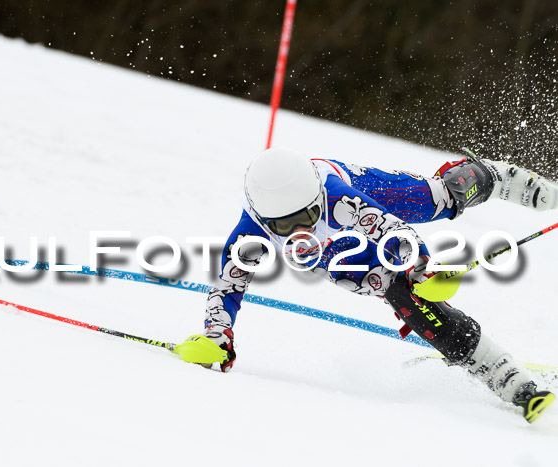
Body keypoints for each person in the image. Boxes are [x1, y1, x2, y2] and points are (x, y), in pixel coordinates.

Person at [186, 146, 558, 423]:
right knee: (397, 290)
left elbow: (392, 229)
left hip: (357, 187)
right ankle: (499, 371)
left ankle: (499, 178)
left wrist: (421, 264)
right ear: (266, 222)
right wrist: (217, 336)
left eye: (309, 215)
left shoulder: (336, 198)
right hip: (334, 250)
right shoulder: (249, 232)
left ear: (317, 198)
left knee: (441, 199)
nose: (300, 228)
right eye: (286, 226)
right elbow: (227, 286)